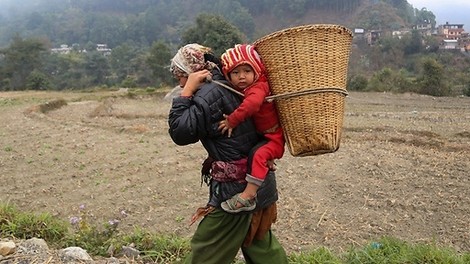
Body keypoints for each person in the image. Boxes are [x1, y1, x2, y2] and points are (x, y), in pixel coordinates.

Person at [168, 43, 288, 264]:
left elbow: (181, 132)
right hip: (257, 181)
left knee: (206, 249)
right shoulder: (226, 83)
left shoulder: (209, 92)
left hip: (237, 189)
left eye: (180, 78)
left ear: (191, 73)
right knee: (259, 244)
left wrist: (187, 91)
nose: (180, 84)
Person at [219, 44, 285, 213]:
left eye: (247, 71)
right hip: (265, 137)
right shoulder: (247, 88)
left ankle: (249, 196)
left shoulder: (258, 87)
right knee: (258, 155)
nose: (241, 76)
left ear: (256, 71)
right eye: (235, 72)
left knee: (258, 156)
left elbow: (252, 105)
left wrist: (232, 121)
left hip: (274, 138)